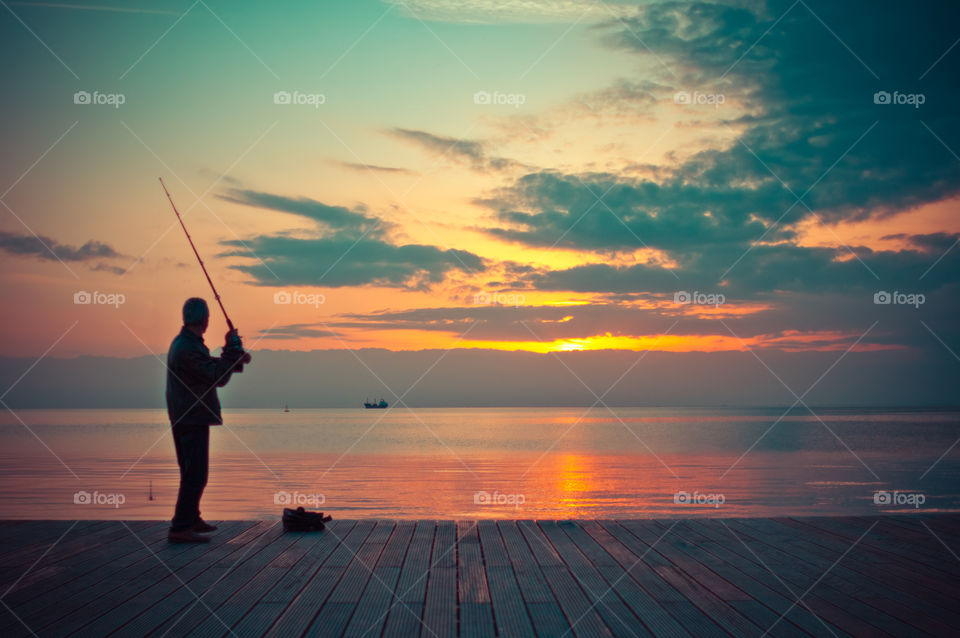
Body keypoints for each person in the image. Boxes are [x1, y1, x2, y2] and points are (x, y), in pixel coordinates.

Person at [165, 297, 251, 543]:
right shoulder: (187, 347)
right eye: (208, 318)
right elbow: (216, 376)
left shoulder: (187, 344)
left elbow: (209, 367)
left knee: (191, 471)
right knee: (196, 474)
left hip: (188, 415)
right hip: (190, 417)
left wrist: (233, 357)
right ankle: (180, 527)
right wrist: (231, 350)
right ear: (204, 319)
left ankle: (192, 518)